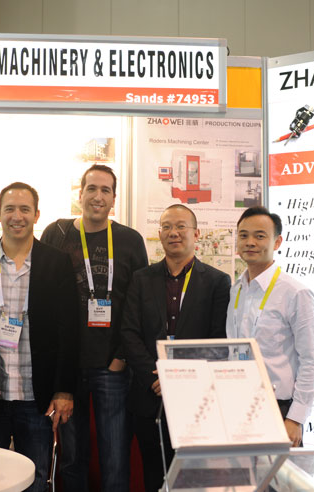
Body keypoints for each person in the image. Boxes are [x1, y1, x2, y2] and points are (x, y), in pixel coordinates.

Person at [0, 182, 78, 492]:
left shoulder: (56, 261)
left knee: (36, 479)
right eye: (10, 209)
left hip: (36, 397)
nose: (17, 216)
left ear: (37, 215)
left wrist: (64, 390)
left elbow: (69, 329)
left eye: (25, 209)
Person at [41, 164, 148, 492]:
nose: (97, 196)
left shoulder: (130, 240)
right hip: (69, 369)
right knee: (73, 457)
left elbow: (139, 303)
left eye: (105, 190)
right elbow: (46, 301)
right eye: (91, 188)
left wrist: (122, 357)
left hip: (111, 367)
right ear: (80, 193)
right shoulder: (56, 234)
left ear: (114, 198)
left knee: (115, 457)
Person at [120, 204, 231, 492]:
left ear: (197, 233)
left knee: (193, 480)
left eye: (181, 226)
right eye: (167, 227)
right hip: (149, 395)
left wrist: (179, 378)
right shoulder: (141, 279)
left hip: (195, 398)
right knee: (154, 475)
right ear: (159, 234)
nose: (174, 233)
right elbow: (129, 333)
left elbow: (217, 340)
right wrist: (155, 375)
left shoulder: (218, 282)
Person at [227, 206, 314, 447]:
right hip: (239, 404)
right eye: (243, 235)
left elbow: (312, 360)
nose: (250, 242)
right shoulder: (237, 289)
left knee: (278, 474)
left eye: (260, 236)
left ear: (277, 242)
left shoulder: (296, 293)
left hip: (279, 409)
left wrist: (295, 418)